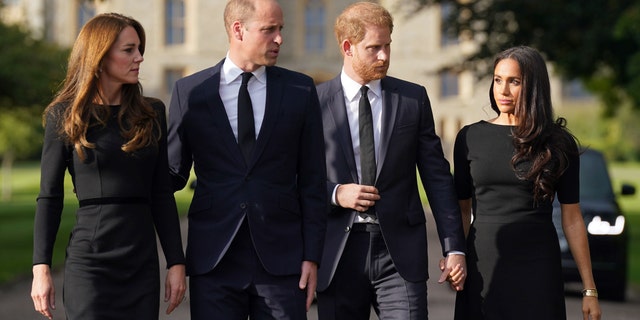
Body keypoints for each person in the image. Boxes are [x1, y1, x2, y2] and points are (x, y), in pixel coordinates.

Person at [166, 0, 327, 319]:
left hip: (282, 261)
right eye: (269, 30)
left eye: (281, 29)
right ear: (238, 30)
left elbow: (313, 180)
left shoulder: (301, 89)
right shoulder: (191, 91)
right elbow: (171, 175)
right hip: (214, 259)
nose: (279, 38)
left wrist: (312, 256)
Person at [315, 2, 467, 319]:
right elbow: (293, 177)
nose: (384, 56)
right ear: (348, 47)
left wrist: (454, 247)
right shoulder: (313, 103)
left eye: (387, 46)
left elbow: (437, 177)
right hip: (337, 254)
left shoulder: (413, 99)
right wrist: (335, 193)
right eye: (374, 48)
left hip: (398, 255)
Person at [30, 13, 186, 320]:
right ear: (100, 56)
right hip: (90, 262)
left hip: (140, 260)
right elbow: (49, 197)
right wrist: (41, 269)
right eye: (128, 50)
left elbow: (162, 194)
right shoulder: (64, 115)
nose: (139, 57)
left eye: (139, 48)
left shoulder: (152, 112)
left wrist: (176, 263)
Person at [453, 46, 601, 320]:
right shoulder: (469, 137)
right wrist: (455, 256)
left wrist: (589, 289)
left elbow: (572, 218)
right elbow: (462, 210)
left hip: (538, 267)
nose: (503, 90)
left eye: (514, 81)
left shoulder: (558, 142)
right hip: (482, 264)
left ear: (533, 86)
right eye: (498, 80)